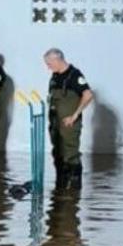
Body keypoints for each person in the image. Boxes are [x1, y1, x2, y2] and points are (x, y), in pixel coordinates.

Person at [43, 48, 94, 188]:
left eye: (49, 63)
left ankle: (74, 189)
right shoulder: (55, 76)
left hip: (69, 124)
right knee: (58, 152)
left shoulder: (74, 75)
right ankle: (61, 185)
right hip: (55, 123)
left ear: (57, 60)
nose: (48, 67)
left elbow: (88, 94)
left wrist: (75, 115)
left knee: (70, 153)